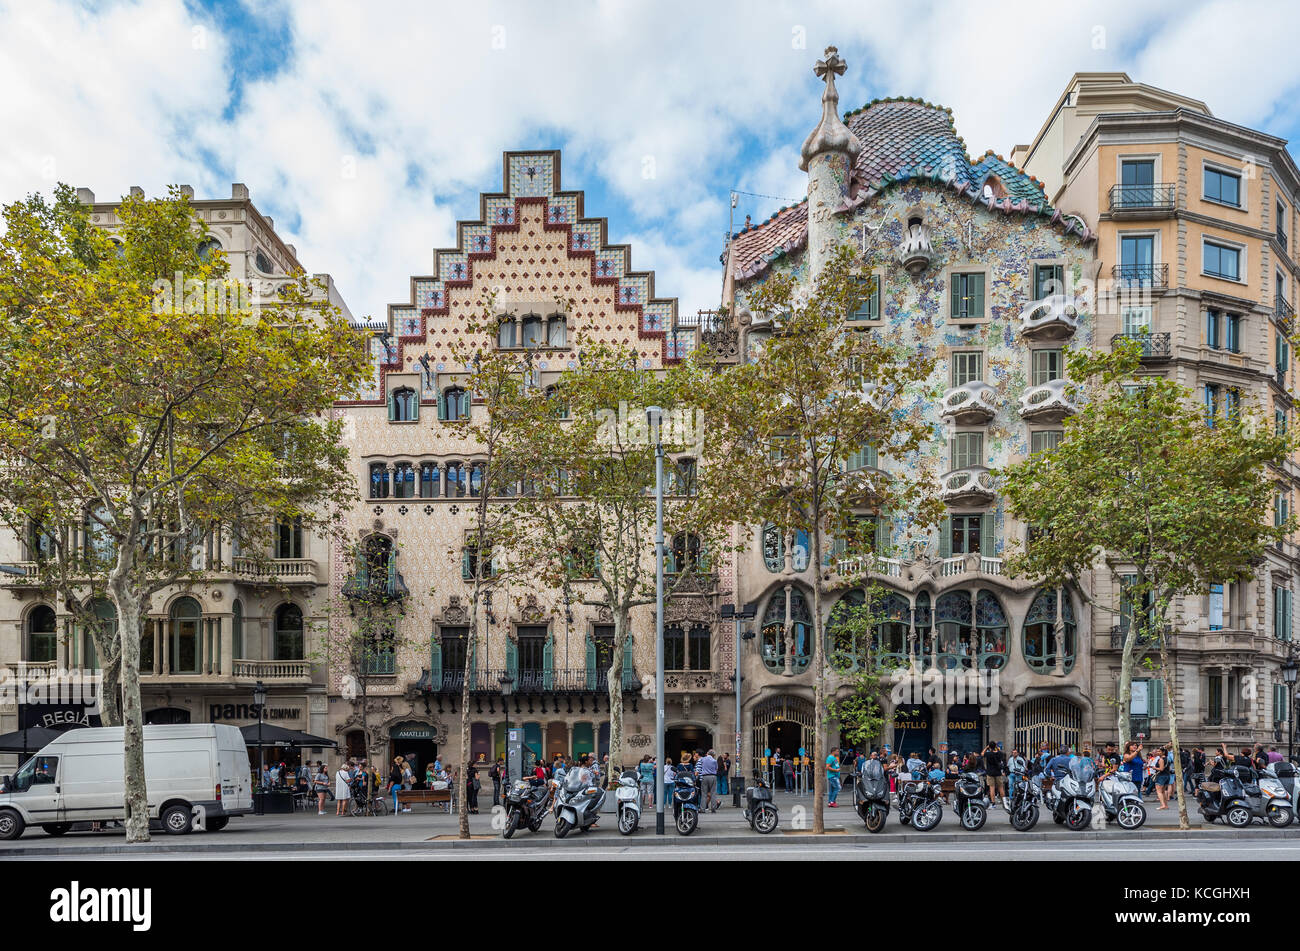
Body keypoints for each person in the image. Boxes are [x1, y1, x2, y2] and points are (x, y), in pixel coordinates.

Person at [983, 741, 1007, 808]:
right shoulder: (1000, 753)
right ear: (995, 746)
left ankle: (993, 803)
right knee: (1001, 788)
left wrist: (986, 747)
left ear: (989, 747)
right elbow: (1001, 753)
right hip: (998, 773)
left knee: (992, 788)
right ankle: (1004, 803)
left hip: (990, 773)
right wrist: (996, 747)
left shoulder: (988, 754)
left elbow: (982, 754)